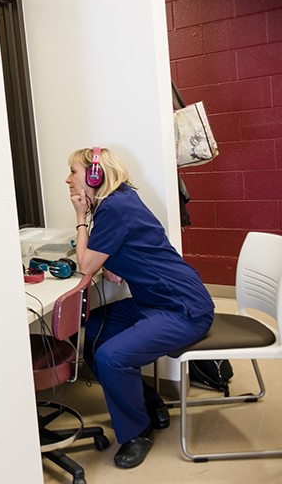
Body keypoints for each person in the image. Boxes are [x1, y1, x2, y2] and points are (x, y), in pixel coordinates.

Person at [65, 147, 214, 469]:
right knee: (89, 332)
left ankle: (138, 431)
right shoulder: (119, 200)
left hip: (183, 308)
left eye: (73, 173)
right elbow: (122, 249)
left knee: (111, 356)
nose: (68, 180)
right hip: (153, 301)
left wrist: (80, 219)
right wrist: (114, 263)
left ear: (95, 175)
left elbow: (86, 263)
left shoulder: (113, 208)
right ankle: (150, 404)